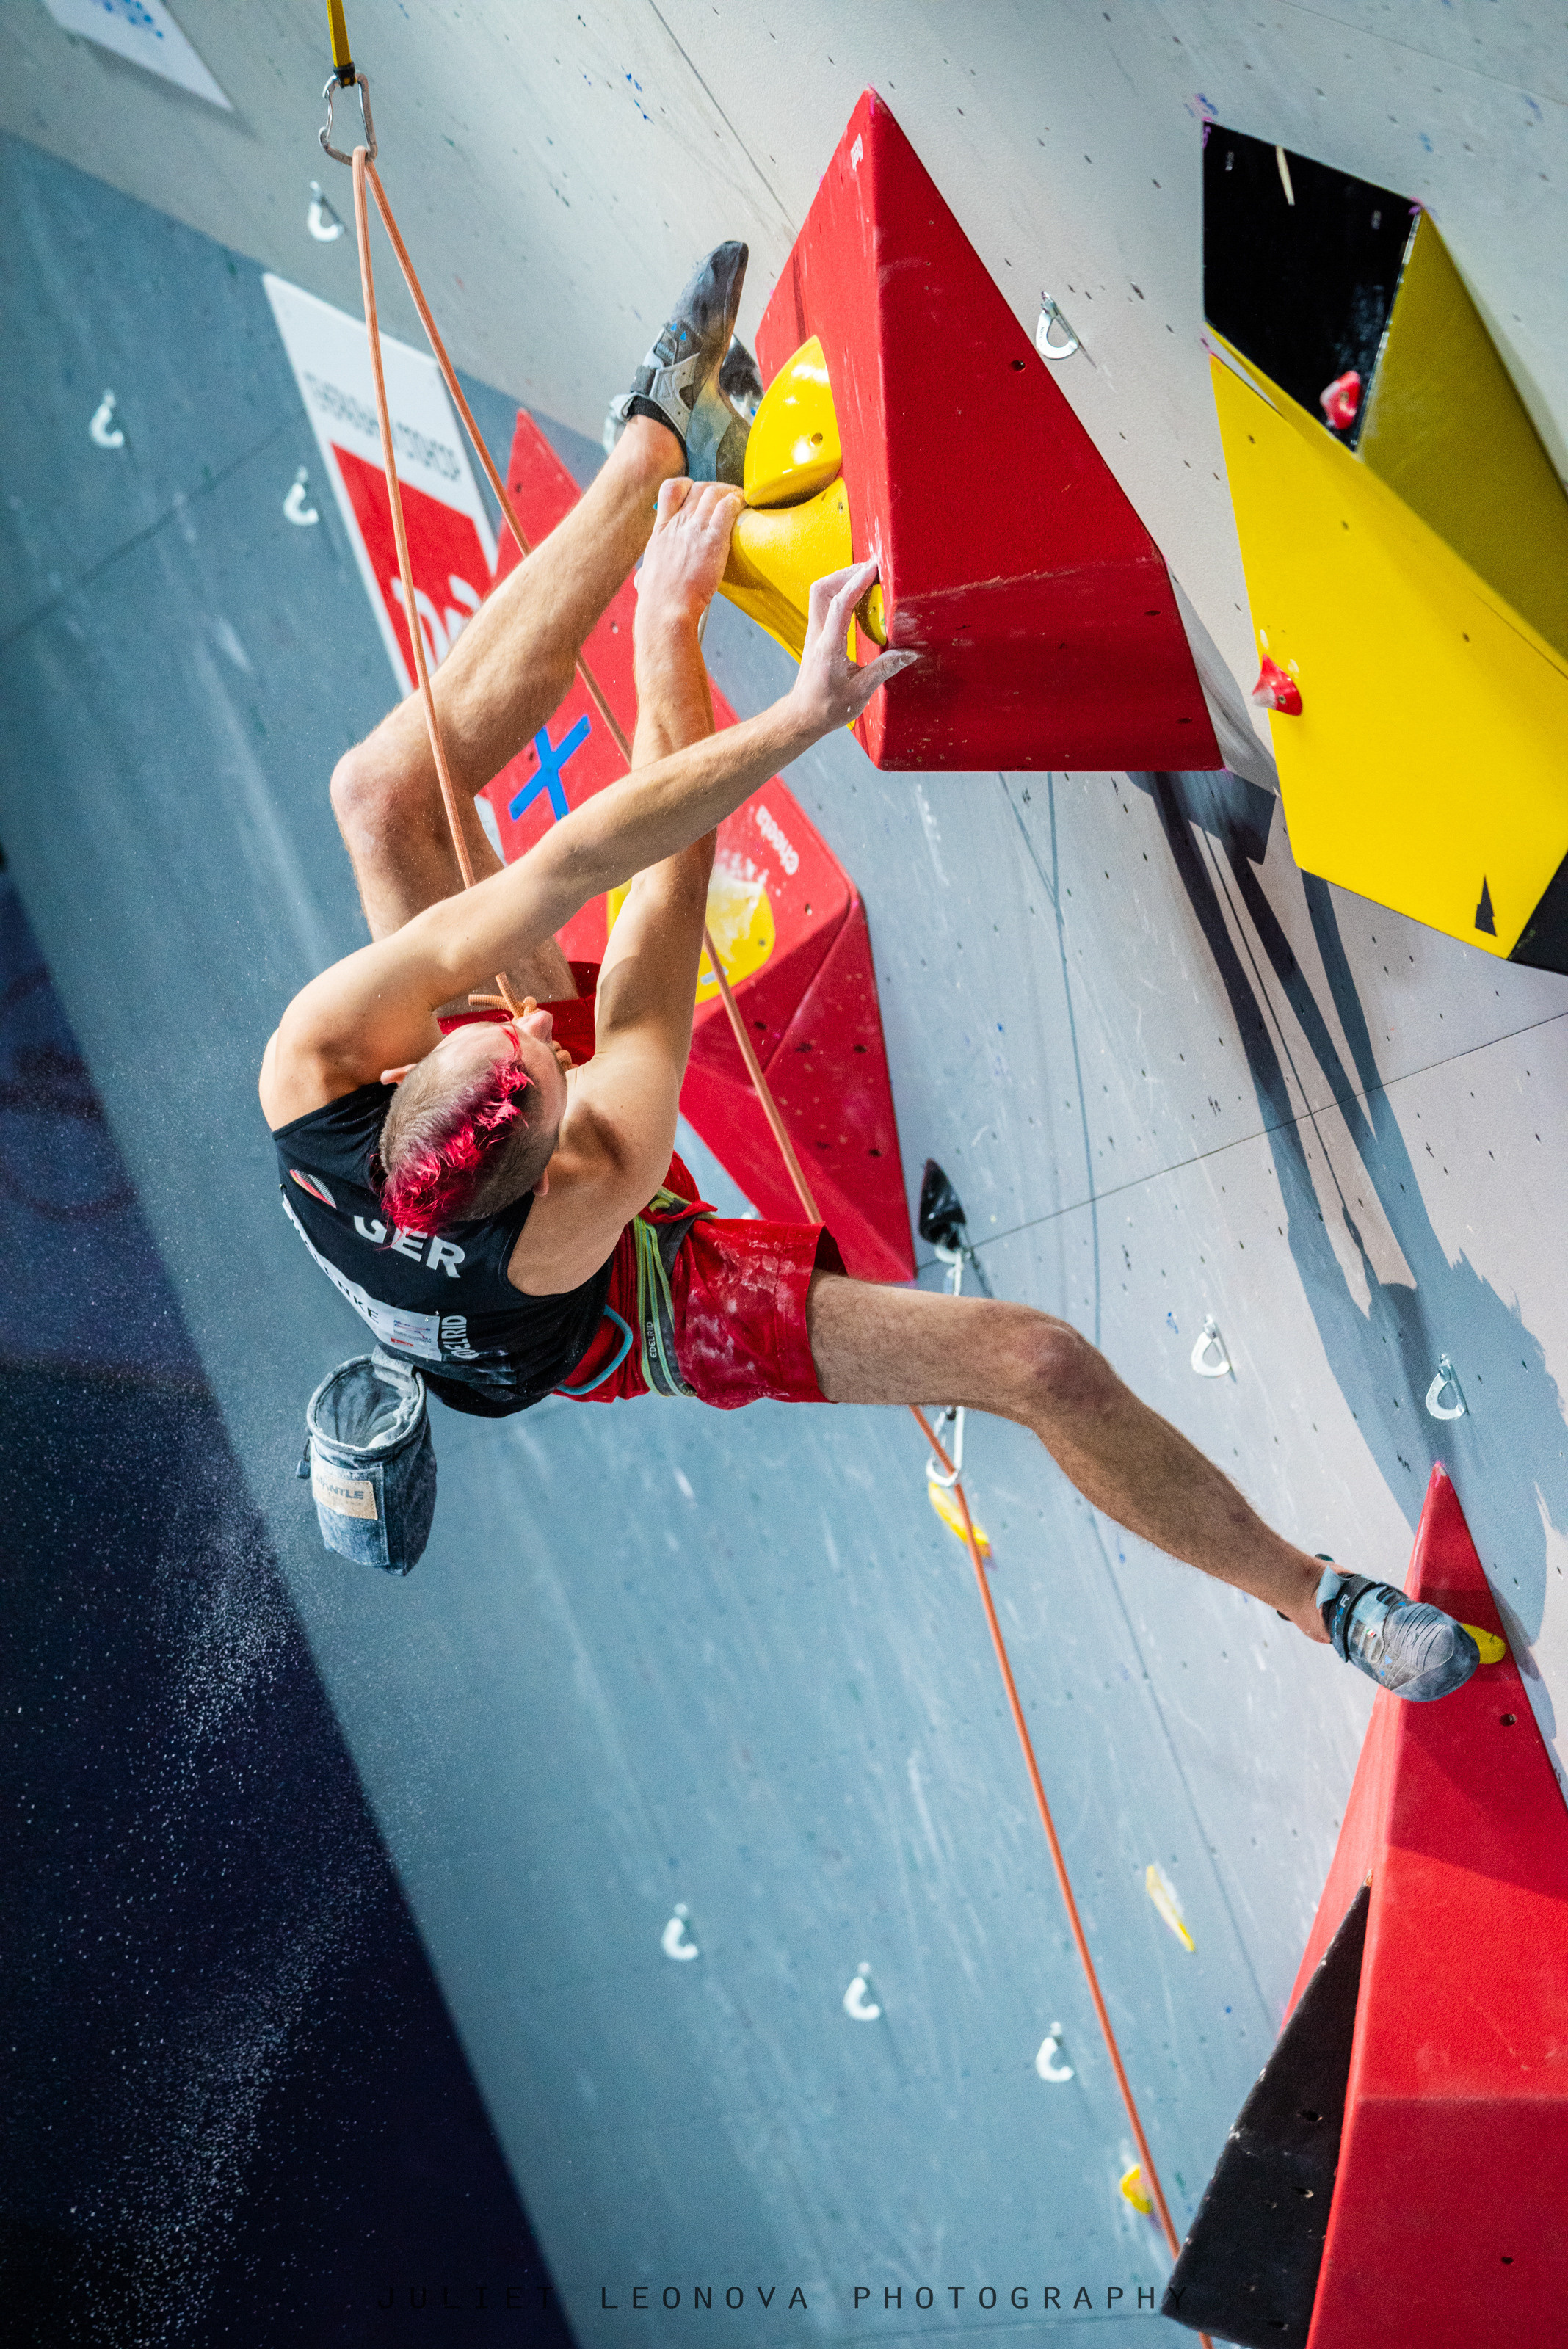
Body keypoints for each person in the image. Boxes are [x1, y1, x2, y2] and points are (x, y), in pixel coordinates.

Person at [261, 245, 1478, 1704]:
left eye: (520, 1027)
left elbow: (559, 869)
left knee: (377, 798)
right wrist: (721, 671)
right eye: (552, 1052)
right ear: (563, 1135)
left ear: (409, 1072)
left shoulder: (315, 1072)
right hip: (617, 1305)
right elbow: (655, 912)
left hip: (472, 1182)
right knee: (1035, 1365)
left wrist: (671, 578)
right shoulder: (591, 1188)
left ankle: (657, 434)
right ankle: (1318, 1602)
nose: (546, 1018)